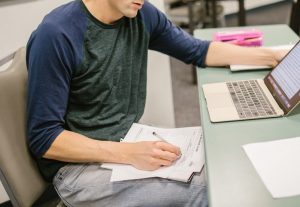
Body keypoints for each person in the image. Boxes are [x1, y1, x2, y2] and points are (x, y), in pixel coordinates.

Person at [26, 0, 287, 206]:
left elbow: (198, 50)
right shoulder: (57, 34)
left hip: (125, 144)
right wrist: (127, 153)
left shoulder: (141, 14)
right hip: (77, 171)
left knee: (229, 158)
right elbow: (44, 138)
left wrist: (273, 56)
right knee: (218, 188)